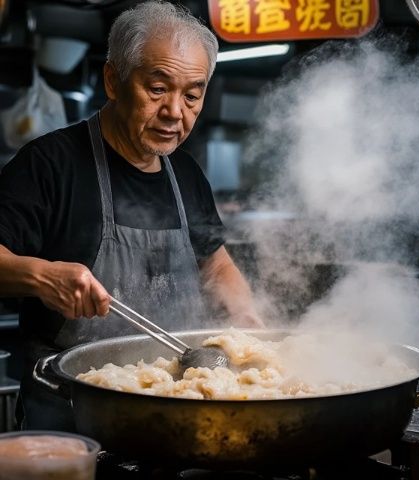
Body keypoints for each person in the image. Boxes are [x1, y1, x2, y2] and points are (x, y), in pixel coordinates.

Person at [0, 0, 264, 430]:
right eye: (157, 89)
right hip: (75, 416)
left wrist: (249, 325)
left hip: (179, 413)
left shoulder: (187, 173)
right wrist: (42, 276)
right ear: (113, 80)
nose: (175, 112)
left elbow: (214, 262)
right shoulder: (48, 165)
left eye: (192, 96)